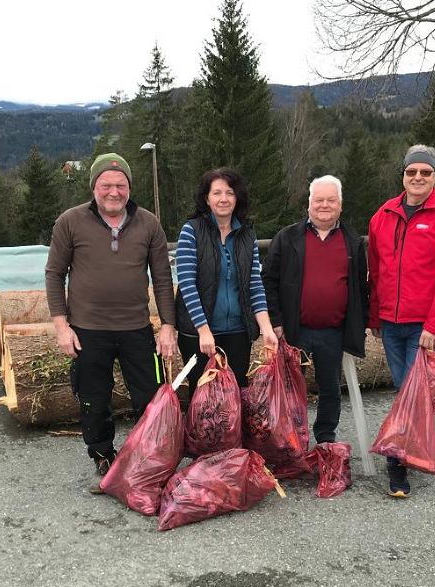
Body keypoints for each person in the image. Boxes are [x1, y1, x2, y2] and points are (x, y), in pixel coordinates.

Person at [45, 152, 177, 491]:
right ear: (94, 187)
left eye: (120, 185)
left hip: (136, 329)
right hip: (88, 331)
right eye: (106, 185)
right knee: (93, 397)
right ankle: (103, 455)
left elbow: (162, 277)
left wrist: (167, 326)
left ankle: (149, 458)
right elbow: (54, 273)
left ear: (129, 187)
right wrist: (61, 326)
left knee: (150, 397)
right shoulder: (70, 222)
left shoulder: (149, 223)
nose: (113, 191)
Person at [368, 144, 435, 498]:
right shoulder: (383, 215)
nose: (417, 177)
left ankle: (397, 463)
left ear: (434, 177)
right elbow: (377, 271)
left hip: (423, 325)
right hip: (390, 323)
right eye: (412, 171)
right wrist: (374, 318)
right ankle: (413, 447)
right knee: (405, 389)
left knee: (413, 395)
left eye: (425, 172)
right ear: (403, 175)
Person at [262, 175, 368, 447]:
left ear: (340, 205)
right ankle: (291, 441)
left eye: (331, 200)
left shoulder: (353, 242)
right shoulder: (287, 238)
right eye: (318, 200)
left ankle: (324, 440)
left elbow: (360, 287)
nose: (324, 205)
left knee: (331, 390)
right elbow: (268, 281)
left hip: (333, 332)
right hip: (295, 331)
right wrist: (275, 320)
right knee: (289, 390)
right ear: (309, 204)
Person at [175, 168, 278, 393]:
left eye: (230, 193)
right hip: (199, 334)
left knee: (236, 395)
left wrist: (266, 328)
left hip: (238, 332)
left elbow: (255, 285)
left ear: (237, 197)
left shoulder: (247, 235)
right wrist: (203, 330)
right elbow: (187, 284)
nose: (224, 199)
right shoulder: (191, 231)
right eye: (217, 193)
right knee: (203, 400)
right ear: (206, 198)